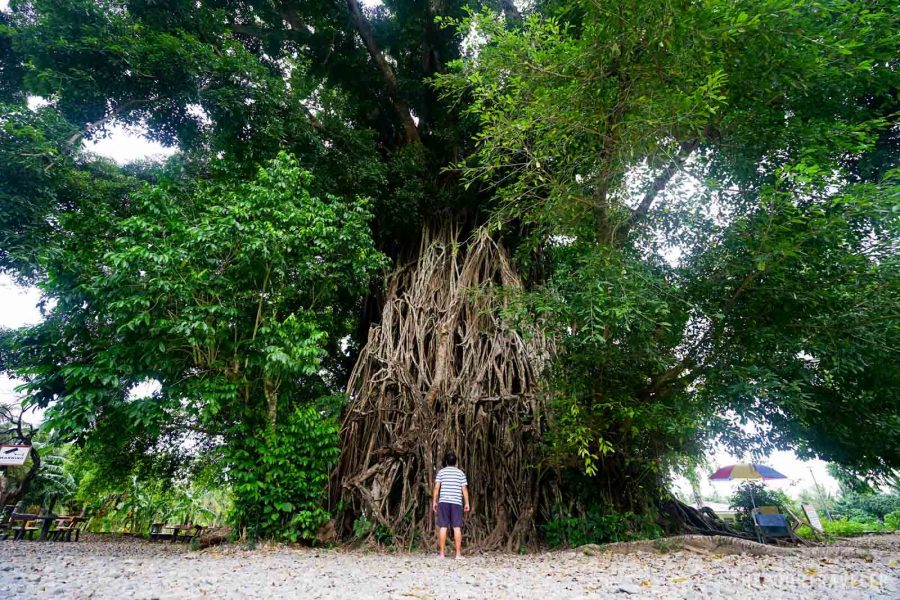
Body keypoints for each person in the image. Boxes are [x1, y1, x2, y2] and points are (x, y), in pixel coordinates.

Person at [432, 451, 469, 559]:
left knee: (443, 527)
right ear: (455, 462)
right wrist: (467, 503)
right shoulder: (460, 473)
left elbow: (436, 488)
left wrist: (434, 501)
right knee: (457, 527)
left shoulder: (441, 472)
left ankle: (442, 554)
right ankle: (458, 554)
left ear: (446, 462)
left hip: (443, 502)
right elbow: (464, 489)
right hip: (456, 502)